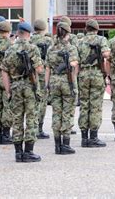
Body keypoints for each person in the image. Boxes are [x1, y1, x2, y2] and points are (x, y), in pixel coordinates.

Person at [1, 22, 44, 162]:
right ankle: (29, 152)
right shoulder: (32, 48)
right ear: (28, 33)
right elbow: (39, 69)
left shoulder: (10, 49)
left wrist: (8, 90)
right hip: (30, 87)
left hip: (15, 86)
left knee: (17, 119)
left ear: (18, 33)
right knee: (31, 118)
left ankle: (18, 153)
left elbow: (4, 72)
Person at [45, 22, 79, 155]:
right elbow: (74, 64)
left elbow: (47, 68)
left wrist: (46, 84)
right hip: (67, 81)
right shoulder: (71, 48)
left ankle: (57, 144)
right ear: (67, 33)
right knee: (67, 113)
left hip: (54, 81)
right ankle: (65, 144)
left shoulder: (51, 48)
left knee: (56, 113)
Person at [77, 19, 110, 148]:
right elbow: (106, 54)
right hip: (96, 74)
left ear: (86, 29)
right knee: (95, 106)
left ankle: (84, 137)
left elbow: (76, 62)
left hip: (83, 74)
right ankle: (93, 137)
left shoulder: (80, 42)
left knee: (84, 105)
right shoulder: (101, 40)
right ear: (96, 29)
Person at [30, 19, 53, 140]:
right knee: (42, 101)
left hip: (30, 74)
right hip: (43, 73)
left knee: (31, 101)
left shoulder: (29, 40)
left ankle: (31, 127)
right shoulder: (48, 41)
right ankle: (39, 128)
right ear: (44, 28)